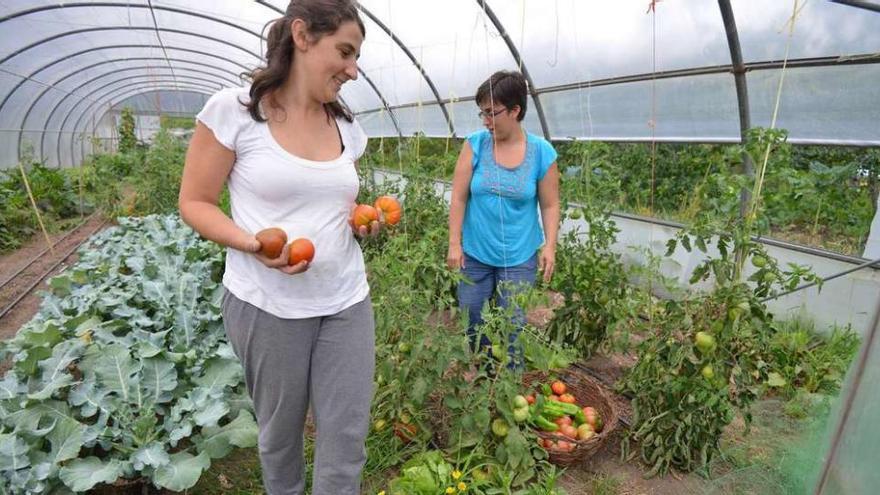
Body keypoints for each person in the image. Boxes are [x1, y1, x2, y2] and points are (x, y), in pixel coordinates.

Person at [178, 1, 380, 493]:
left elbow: (333, 205)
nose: (353, 70)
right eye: (345, 52)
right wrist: (251, 244)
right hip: (266, 304)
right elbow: (195, 202)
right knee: (280, 436)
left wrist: (361, 221)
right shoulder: (237, 111)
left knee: (346, 437)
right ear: (303, 36)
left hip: (345, 299)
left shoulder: (347, 129)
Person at [447, 70, 561, 370]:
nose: (485, 120)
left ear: (515, 110)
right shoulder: (476, 145)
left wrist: (550, 246)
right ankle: (485, 374)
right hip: (475, 252)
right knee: (471, 316)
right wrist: (454, 244)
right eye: (482, 112)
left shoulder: (541, 152)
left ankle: (511, 385)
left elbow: (550, 204)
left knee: (513, 322)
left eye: (491, 113)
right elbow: (458, 196)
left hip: (519, 254)